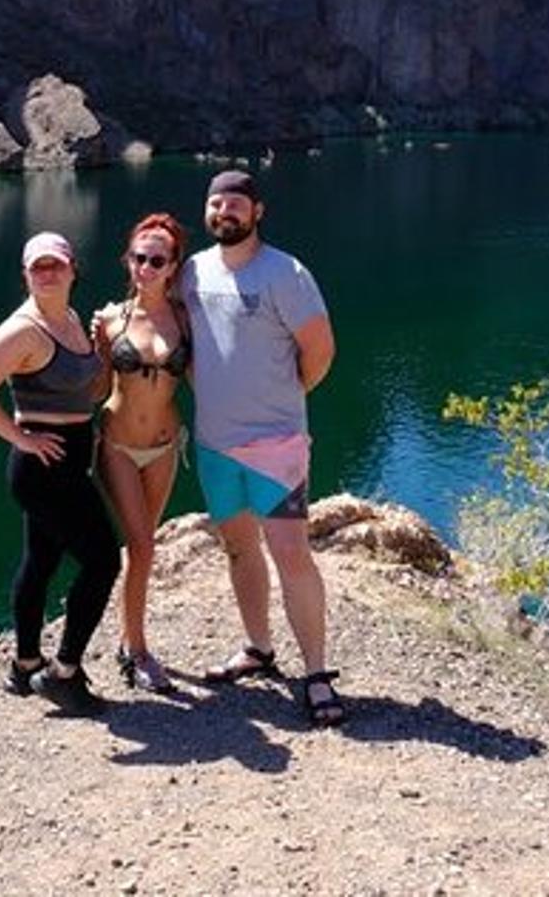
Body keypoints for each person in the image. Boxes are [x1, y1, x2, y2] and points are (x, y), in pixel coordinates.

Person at [180, 170, 345, 726]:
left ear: (257, 212)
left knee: (291, 554)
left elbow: (320, 350)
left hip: (276, 444)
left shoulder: (285, 273)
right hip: (215, 443)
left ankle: (317, 673)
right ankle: (258, 647)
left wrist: (286, 397)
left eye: (235, 204)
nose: (224, 211)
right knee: (238, 548)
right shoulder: (192, 272)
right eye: (216, 203)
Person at [0, 231, 119, 715]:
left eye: (55, 265)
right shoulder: (22, 331)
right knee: (103, 562)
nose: (47, 273)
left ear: (72, 270)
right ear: (26, 275)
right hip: (43, 468)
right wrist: (21, 437)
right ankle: (63, 673)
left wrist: (103, 349)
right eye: (37, 267)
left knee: (41, 561)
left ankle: (26, 663)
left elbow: (90, 393)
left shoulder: (69, 320)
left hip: (66, 461)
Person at [91, 213, 192, 692]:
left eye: (157, 260)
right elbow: (96, 389)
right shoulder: (111, 320)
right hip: (118, 446)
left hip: (165, 447)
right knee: (143, 544)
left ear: (173, 266)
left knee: (142, 546)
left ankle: (126, 638)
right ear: (127, 260)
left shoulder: (186, 318)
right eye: (139, 258)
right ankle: (138, 652)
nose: (145, 268)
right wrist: (90, 348)